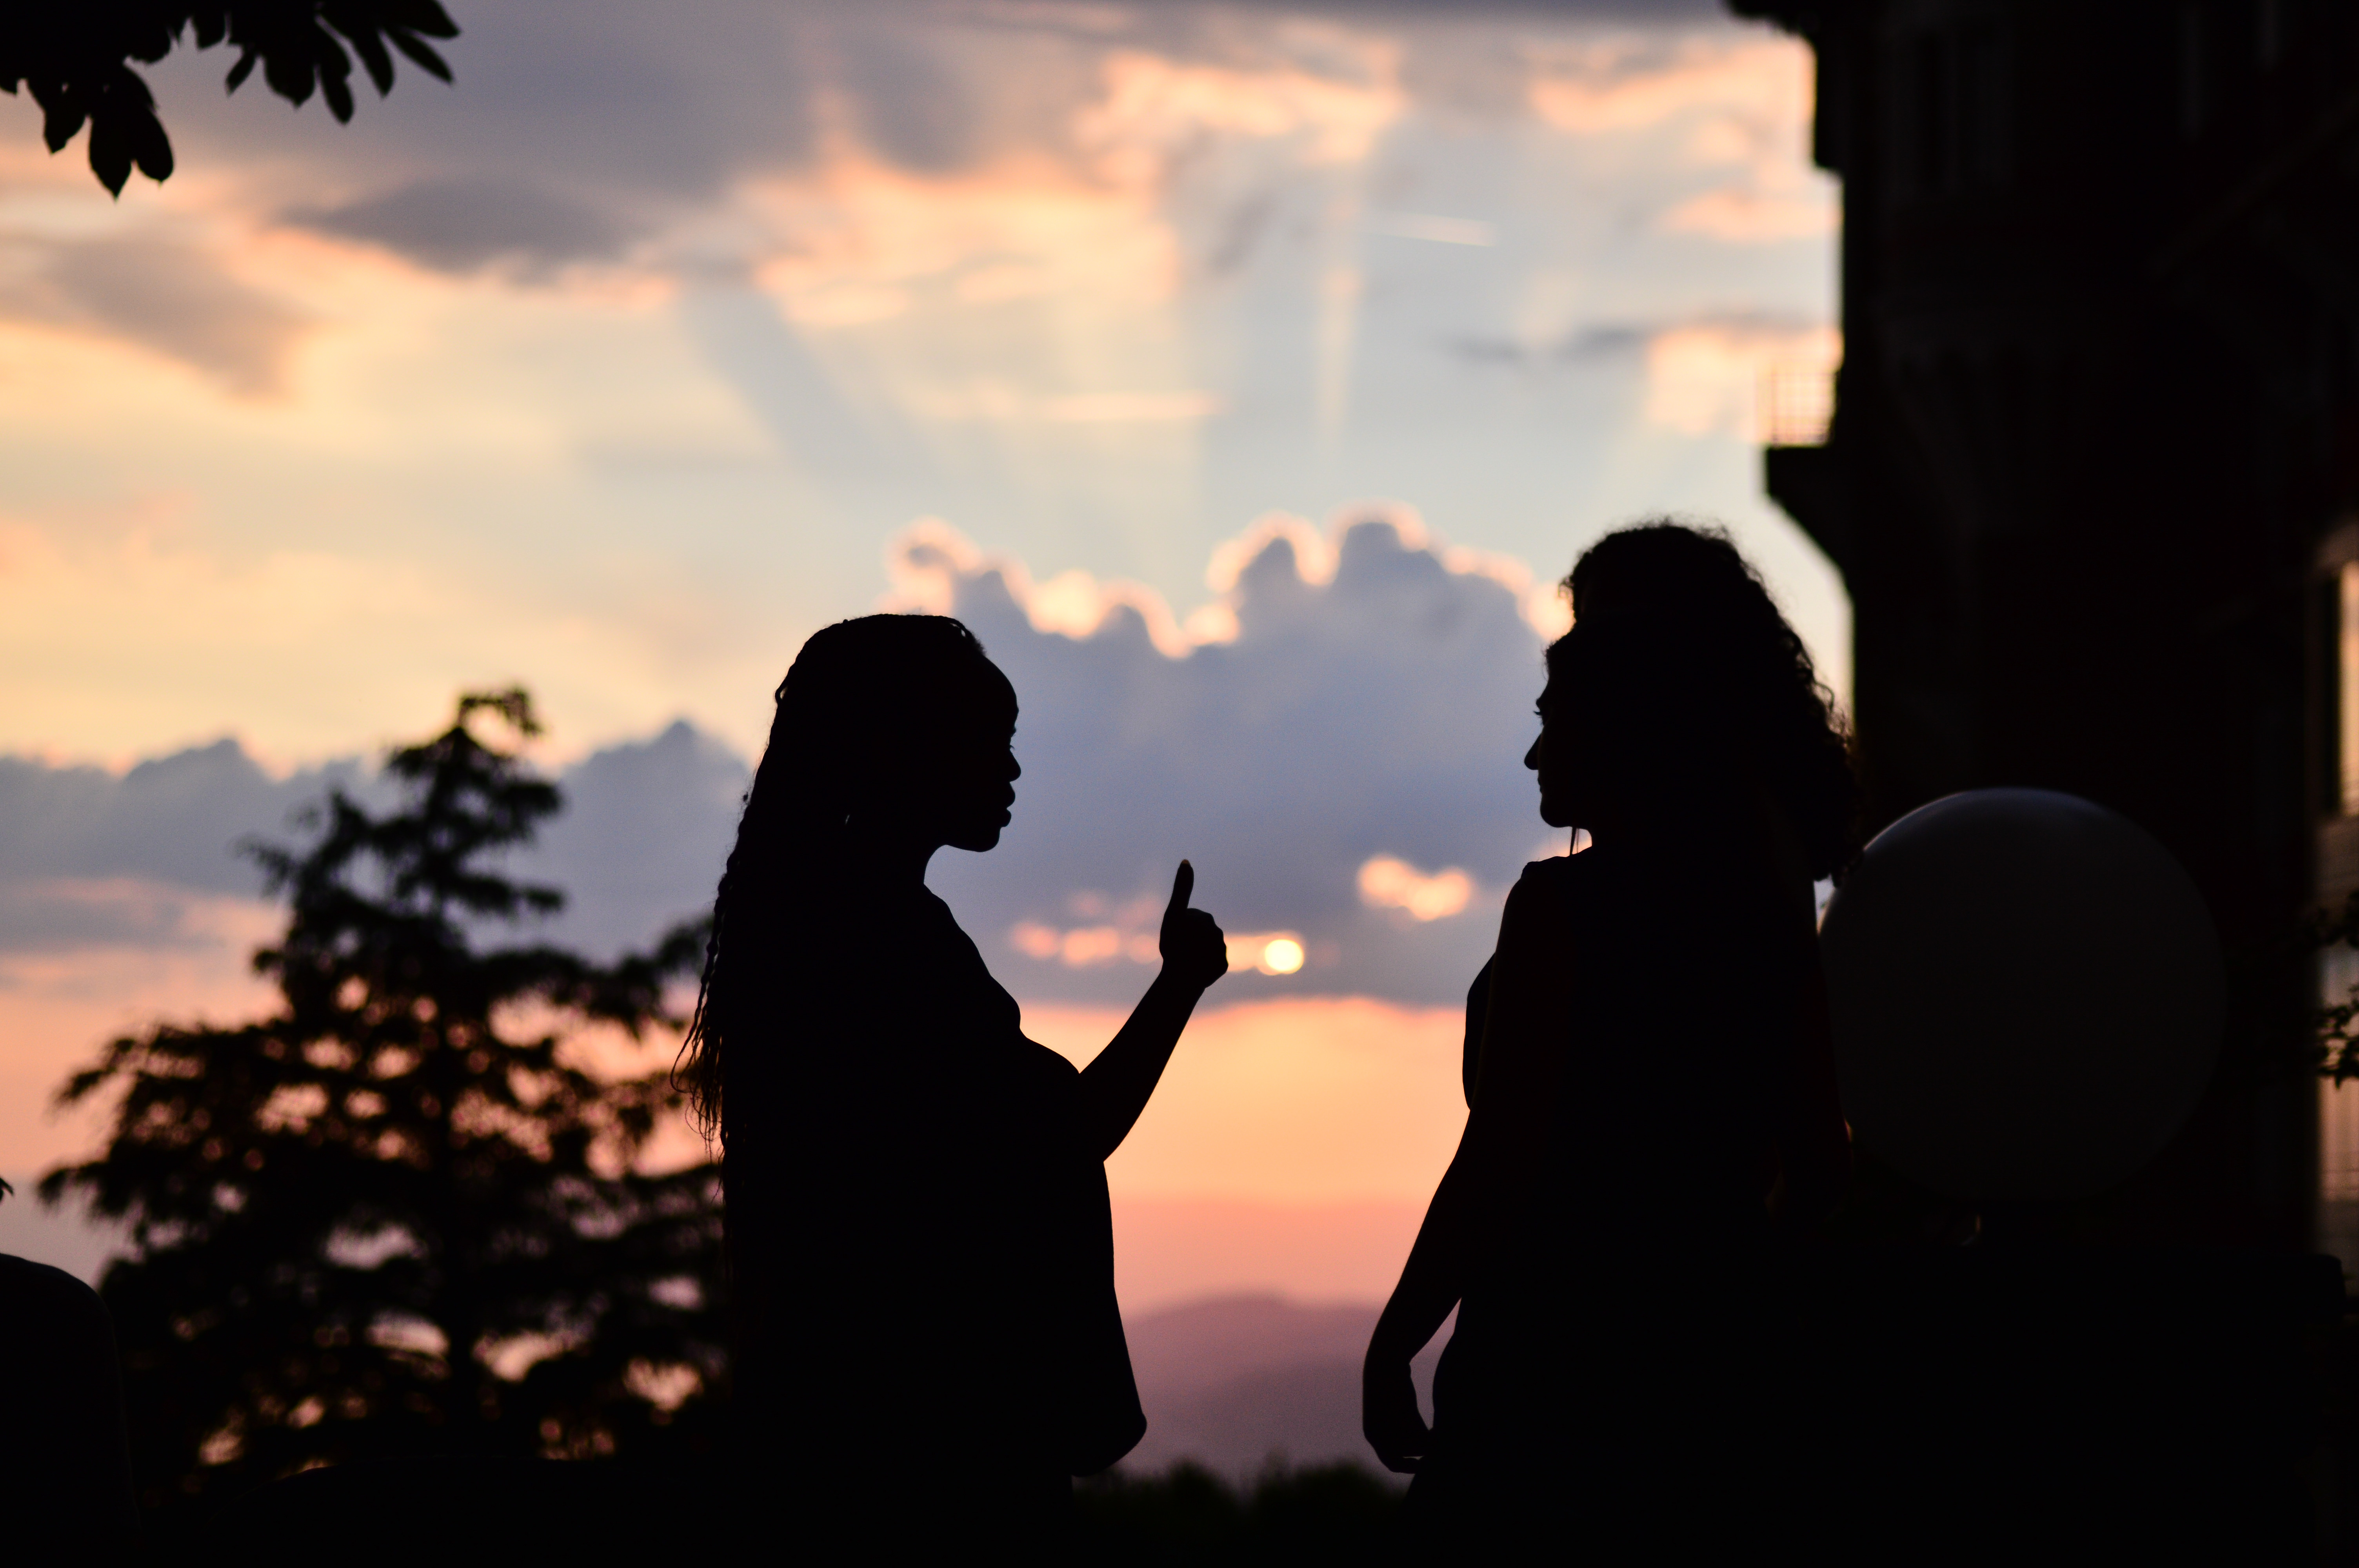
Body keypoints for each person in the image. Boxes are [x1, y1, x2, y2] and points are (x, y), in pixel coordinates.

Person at [678, 613, 1228, 1552]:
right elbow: (1068, 1130)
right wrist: (1178, 986)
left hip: (848, 1440)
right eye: (987, 741)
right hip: (926, 1458)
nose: (1010, 771)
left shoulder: (824, 929)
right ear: (899, 749)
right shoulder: (883, 948)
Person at [1363, 524, 1854, 1552]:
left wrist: (1398, 1332)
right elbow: (1816, 1155)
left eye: (1559, 713)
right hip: (1717, 1356)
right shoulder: (1767, 901)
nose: (1536, 746)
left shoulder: (1563, 908)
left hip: (1552, 1356)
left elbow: (1501, 1158)